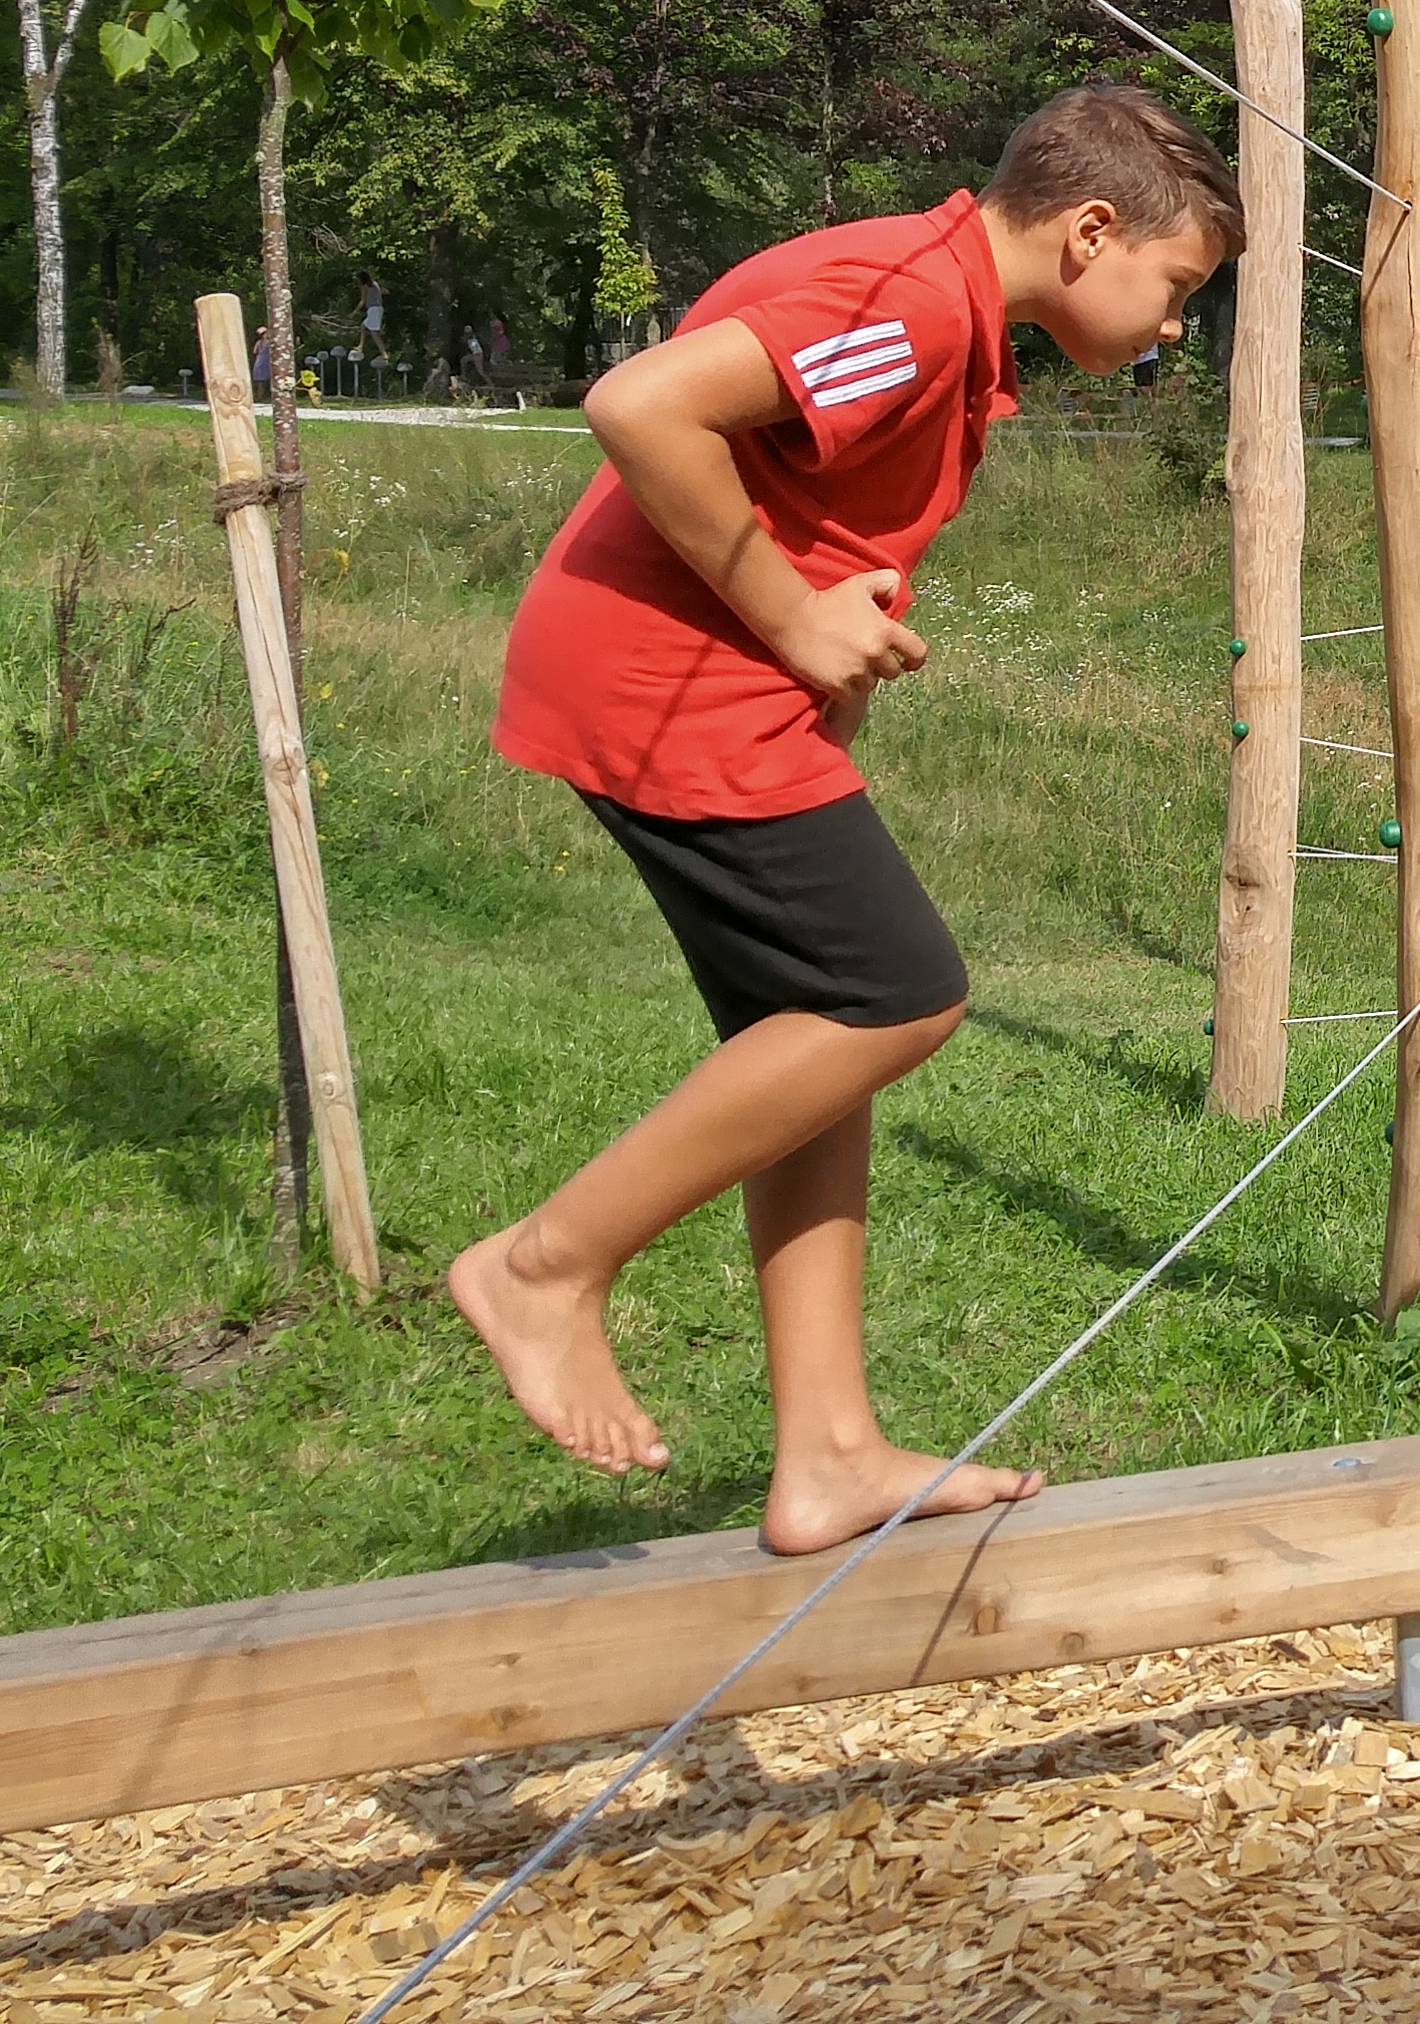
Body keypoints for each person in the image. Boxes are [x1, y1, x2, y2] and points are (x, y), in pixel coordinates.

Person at [451, 87, 1244, 1553]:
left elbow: (803, 478)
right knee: (898, 996)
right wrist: (785, 612)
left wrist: (833, 622)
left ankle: (828, 1452)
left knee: (814, 1051)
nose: (1177, 323)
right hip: (672, 686)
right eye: (1178, 286)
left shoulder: (942, 307)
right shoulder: (916, 304)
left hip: (715, 694)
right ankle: (544, 1267)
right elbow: (642, 403)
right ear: (1090, 233)